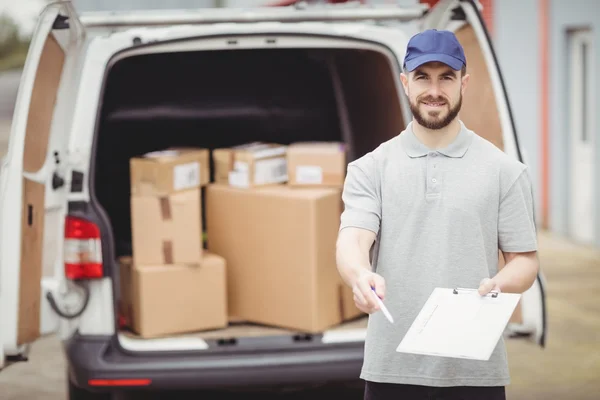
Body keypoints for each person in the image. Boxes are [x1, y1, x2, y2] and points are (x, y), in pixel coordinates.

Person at [335, 29, 540, 400]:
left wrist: (500, 284)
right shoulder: (371, 168)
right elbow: (353, 237)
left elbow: (524, 260)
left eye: (446, 77)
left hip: (476, 371)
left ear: (464, 82)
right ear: (405, 83)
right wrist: (359, 275)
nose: (434, 90)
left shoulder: (504, 171)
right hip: (391, 367)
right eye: (422, 77)